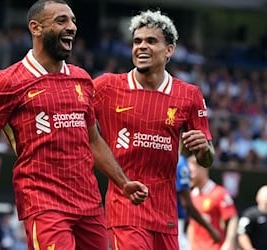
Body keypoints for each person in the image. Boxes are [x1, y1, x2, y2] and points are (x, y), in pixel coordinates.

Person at [0, 0, 149, 249]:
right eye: (61, 20)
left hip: (89, 203)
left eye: (73, 21)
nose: (72, 27)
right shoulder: (8, 82)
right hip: (44, 204)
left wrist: (123, 182)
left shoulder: (82, 79)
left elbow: (93, 140)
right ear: (36, 28)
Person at [92, 10, 215, 250]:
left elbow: (207, 158)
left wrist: (203, 149)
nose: (141, 47)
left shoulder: (189, 96)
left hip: (166, 216)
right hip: (125, 211)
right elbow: (71, 108)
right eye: (137, 41)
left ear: (169, 50)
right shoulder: (107, 87)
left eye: (151, 41)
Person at [187, 154, 238, 250]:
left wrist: (229, 243)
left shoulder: (220, 193)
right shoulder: (191, 196)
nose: (189, 176)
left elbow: (232, 218)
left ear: (203, 169)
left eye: (191, 172)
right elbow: (191, 224)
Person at [176, 154, 220, 250]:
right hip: (174, 225)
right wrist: (211, 230)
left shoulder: (219, 193)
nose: (191, 175)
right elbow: (187, 204)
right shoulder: (181, 163)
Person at [237, 185, 267, 250]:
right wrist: (249, 248)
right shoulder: (250, 215)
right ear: (258, 197)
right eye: (266, 195)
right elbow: (242, 233)